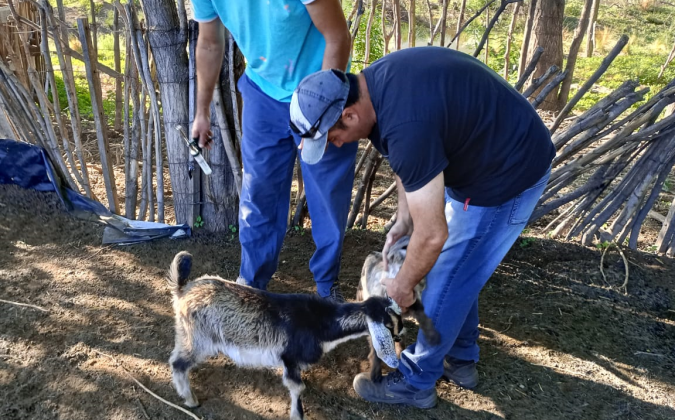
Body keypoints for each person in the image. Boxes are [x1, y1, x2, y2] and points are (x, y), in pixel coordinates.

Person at [289, 46, 555, 408]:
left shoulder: (405, 124)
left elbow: (432, 235)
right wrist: (404, 217)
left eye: (331, 137)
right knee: (460, 267)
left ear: (349, 115)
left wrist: (401, 286)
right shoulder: (374, 88)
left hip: (507, 173)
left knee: (447, 271)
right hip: (485, 155)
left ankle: (416, 382)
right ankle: (460, 359)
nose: (335, 145)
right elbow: (403, 161)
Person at [190, 0, 358, 302]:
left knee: (328, 198)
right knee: (259, 194)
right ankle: (251, 284)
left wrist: (319, 116)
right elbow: (209, 43)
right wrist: (201, 112)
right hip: (263, 92)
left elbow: (338, 37)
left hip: (318, 86)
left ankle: (326, 290)